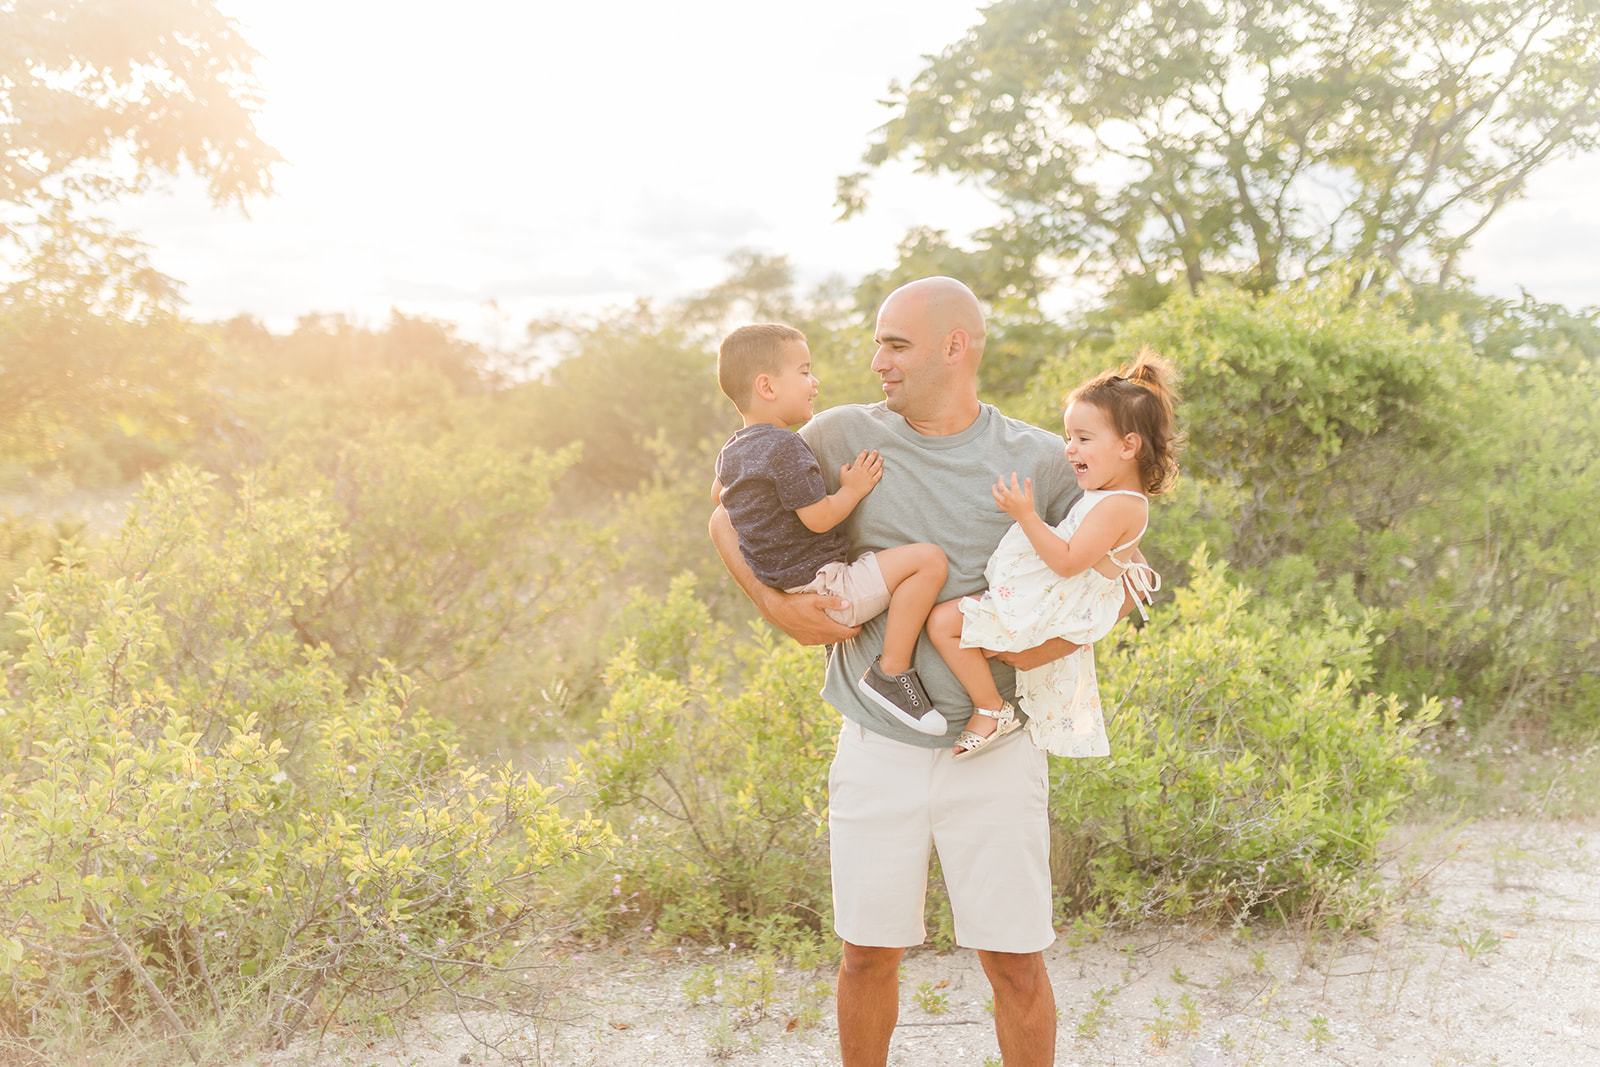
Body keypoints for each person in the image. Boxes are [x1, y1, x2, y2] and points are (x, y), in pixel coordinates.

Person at [710, 277, 1135, 1067]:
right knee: (866, 954)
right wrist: (775, 607)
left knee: (1014, 962)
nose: (876, 361)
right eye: (877, 342)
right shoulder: (838, 436)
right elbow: (721, 508)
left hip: (998, 749)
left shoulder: (1041, 458)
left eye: (895, 344)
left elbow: (1111, 573)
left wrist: (1037, 649)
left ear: (955, 345)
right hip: (878, 742)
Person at [927, 350, 1181, 760]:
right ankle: (992, 706)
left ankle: (991, 709)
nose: (1069, 450)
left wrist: (1026, 515)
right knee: (951, 625)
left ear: (1128, 446)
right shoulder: (1109, 495)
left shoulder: (1122, 506)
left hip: (1056, 605)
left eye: (1083, 439)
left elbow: (1067, 562)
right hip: (1054, 596)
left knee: (943, 623)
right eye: (1068, 438)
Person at [712, 323, 951, 734]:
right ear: (767, 387)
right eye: (804, 372)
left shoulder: (733, 449)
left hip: (790, 584)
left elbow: (720, 495)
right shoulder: (784, 446)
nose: (815, 383)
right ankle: (891, 672)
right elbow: (819, 518)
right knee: (928, 562)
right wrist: (852, 489)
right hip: (827, 588)